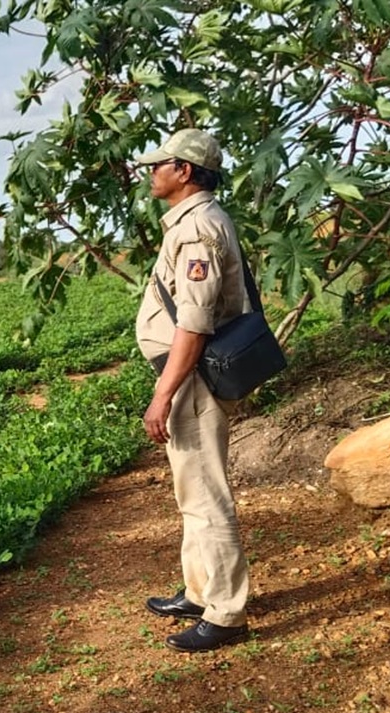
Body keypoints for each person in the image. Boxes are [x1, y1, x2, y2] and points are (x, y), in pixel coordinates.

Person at [133, 130, 253, 653]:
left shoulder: (198, 228)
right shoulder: (192, 221)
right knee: (192, 490)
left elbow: (195, 322)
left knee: (205, 494)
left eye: (158, 164)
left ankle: (225, 613)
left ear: (184, 170)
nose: (151, 172)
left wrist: (163, 394)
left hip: (193, 377)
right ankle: (201, 591)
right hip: (190, 374)